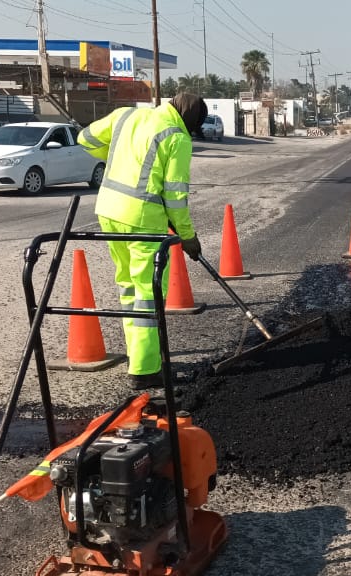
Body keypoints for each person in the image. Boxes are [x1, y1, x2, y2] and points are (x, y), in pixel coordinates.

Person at [78, 93, 207, 390]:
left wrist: (119, 156)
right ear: (189, 121)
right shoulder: (177, 137)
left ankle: (138, 355)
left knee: (128, 286)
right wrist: (188, 237)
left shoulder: (126, 116)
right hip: (143, 219)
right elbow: (175, 197)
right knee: (148, 293)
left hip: (109, 211)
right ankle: (146, 369)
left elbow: (85, 138)